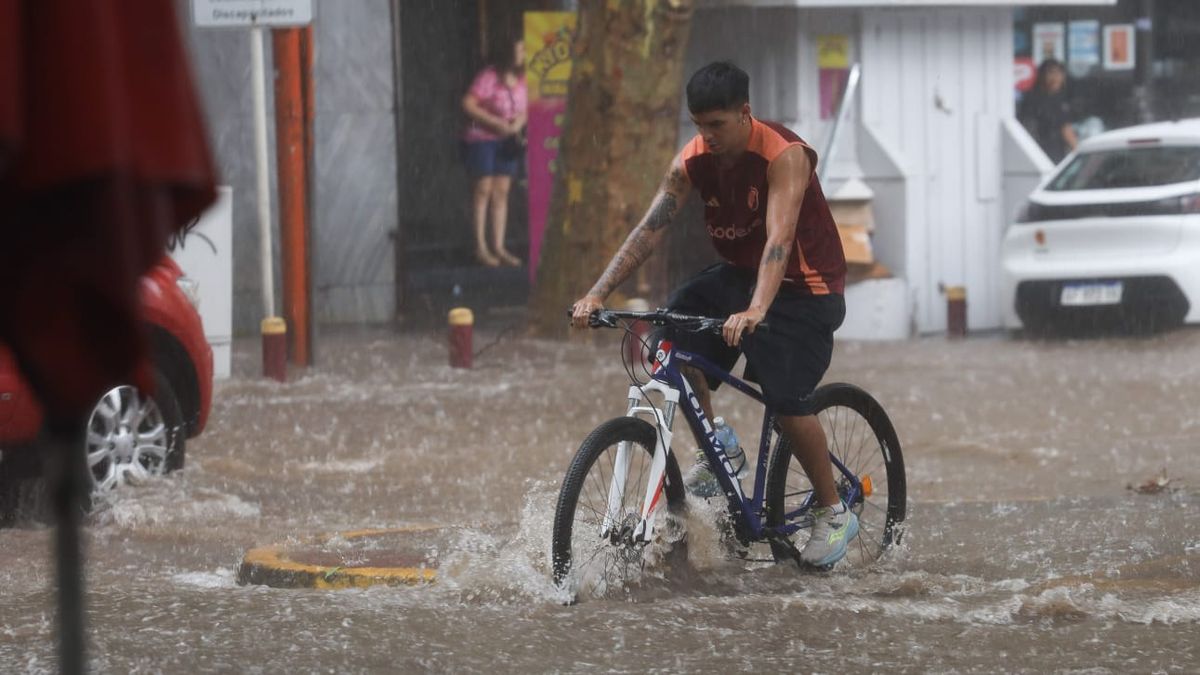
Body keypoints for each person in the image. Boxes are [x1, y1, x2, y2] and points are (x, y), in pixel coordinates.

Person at [569, 62, 855, 568]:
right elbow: (649, 230)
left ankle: (833, 511)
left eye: (717, 125)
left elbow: (779, 241)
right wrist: (596, 293)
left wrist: (756, 309)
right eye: (698, 125)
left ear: (745, 115)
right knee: (669, 336)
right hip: (743, 280)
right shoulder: (692, 161)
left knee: (786, 397)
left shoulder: (784, 156)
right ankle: (718, 441)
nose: (707, 136)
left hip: (806, 290)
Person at [461, 36, 527, 267]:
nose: (523, 54)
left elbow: (526, 107)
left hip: (507, 140)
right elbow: (468, 103)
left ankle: (498, 246)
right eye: (520, 50)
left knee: (502, 191)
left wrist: (516, 125)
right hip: (483, 139)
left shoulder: (521, 79)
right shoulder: (488, 76)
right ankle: (480, 246)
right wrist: (493, 121)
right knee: (483, 189)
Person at [1018, 58, 1078, 164]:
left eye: (1059, 73)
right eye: (1051, 73)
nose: (1056, 78)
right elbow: (1066, 131)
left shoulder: (1060, 98)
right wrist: (1080, 155)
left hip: (1055, 154)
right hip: (1039, 154)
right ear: (1042, 76)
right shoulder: (1034, 99)